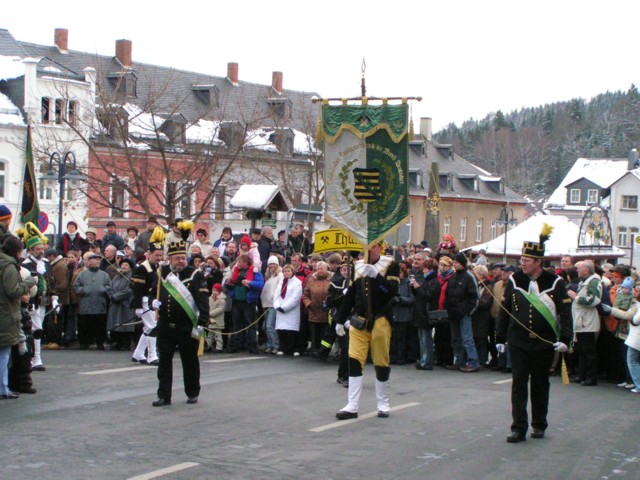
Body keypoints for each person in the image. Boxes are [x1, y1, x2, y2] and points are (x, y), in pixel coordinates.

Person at [496, 224, 572, 443]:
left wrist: (566, 339)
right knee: (518, 384)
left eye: (527, 260)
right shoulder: (515, 280)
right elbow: (505, 310)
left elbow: (565, 313)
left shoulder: (554, 282)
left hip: (543, 343)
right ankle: (518, 427)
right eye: (522, 259)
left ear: (538, 262)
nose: (522, 263)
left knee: (540, 384)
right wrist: (500, 337)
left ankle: (539, 424)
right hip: (518, 341)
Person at [334, 241, 400, 420]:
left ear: (380, 247)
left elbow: (392, 291)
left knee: (381, 362)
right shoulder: (357, 266)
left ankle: (383, 403)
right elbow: (351, 295)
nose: (369, 250)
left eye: (372, 246)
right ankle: (352, 405)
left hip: (380, 319)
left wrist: (377, 277)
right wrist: (340, 320)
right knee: (354, 360)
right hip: (359, 319)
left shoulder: (390, 265)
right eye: (366, 247)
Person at [152, 239, 210, 407]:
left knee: (190, 361)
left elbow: (203, 301)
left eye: (183, 258)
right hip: (165, 325)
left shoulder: (194, 275)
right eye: (177, 258)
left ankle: (192, 392)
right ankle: (164, 395)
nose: (181, 261)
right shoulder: (162, 274)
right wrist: (151, 303)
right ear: (169, 259)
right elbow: (152, 293)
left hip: (186, 326)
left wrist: (201, 322)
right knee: (164, 362)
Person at [0, 236, 37, 399]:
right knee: (4, 353)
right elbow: (13, 291)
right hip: (6, 313)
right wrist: (28, 282)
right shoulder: (9, 266)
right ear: (18, 251)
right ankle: (2, 388)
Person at [20, 223, 57, 371]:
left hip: (43, 301)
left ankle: (36, 358)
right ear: (30, 250)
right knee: (35, 330)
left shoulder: (46, 264)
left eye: (42, 249)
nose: (41, 251)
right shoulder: (26, 265)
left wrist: (54, 298)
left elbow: (50, 281)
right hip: (32, 302)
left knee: (38, 329)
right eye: (38, 249)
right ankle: (35, 359)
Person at [566, 260, 602, 386]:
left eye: (579, 268)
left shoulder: (594, 282)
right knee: (581, 351)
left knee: (589, 351)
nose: (577, 271)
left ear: (586, 270)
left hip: (587, 322)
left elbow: (594, 300)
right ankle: (582, 375)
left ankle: (591, 377)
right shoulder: (584, 282)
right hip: (581, 321)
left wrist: (576, 297)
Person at [131, 231, 164, 365]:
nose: (158, 258)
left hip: (152, 302)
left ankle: (138, 354)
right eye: (156, 255)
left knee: (148, 328)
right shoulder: (141, 269)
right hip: (144, 302)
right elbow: (137, 289)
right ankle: (151, 355)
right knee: (154, 327)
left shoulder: (157, 267)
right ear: (149, 254)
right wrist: (138, 306)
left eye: (160, 255)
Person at [444, 253, 480, 372]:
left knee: (467, 339)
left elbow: (474, 297)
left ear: (463, 263)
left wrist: (468, 311)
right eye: (454, 262)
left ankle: (473, 362)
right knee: (455, 339)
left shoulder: (469, 277)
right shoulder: (453, 277)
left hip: (464, 313)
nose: (455, 264)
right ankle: (459, 361)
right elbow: (448, 294)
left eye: (457, 262)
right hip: (453, 312)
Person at [225, 254, 264, 354]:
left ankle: (252, 347)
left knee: (250, 325)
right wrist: (229, 286)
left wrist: (249, 282)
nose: (238, 264)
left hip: (248, 302)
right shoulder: (236, 272)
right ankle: (234, 346)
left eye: (240, 262)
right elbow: (231, 286)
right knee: (236, 325)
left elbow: (260, 284)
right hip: (237, 301)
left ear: (246, 263)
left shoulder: (255, 272)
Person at [73, 253, 112, 350]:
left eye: (99, 260)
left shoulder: (104, 275)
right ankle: (84, 343)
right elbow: (76, 286)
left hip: (100, 304)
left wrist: (103, 289)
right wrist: (83, 290)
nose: (98, 262)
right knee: (85, 325)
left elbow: (109, 286)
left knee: (100, 325)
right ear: (90, 262)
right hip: (86, 304)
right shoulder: (82, 274)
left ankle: (100, 343)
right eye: (95, 260)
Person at [302, 260, 332, 355]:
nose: (320, 271)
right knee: (315, 332)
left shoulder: (331, 279)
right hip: (314, 310)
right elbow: (305, 294)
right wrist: (309, 304)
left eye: (322, 269)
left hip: (327, 311)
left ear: (326, 269)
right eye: (318, 269)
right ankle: (315, 350)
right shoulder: (312, 279)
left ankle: (324, 351)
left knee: (325, 332)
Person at [273, 264, 303, 356]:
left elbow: (295, 298)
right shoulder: (281, 282)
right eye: (285, 271)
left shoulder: (297, 282)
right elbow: (276, 295)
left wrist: (285, 307)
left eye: (288, 271)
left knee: (292, 331)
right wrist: (277, 306)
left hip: (290, 310)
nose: (286, 273)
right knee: (281, 330)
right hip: (280, 309)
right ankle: (283, 347)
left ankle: (294, 349)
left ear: (292, 272)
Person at [106, 258, 136, 351]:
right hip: (115, 304)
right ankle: (117, 342)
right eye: (122, 264)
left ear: (130, 267)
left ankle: (126, 343)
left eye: (126, 265)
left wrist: (117, 296)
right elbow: (110, 287)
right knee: (116, 323)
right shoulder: (116, 276)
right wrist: (111, 295)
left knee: (125, 324)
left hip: (125, 304)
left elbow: (129, 290)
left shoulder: (131, 277)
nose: (124, 266)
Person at [261, 256, 282, 354]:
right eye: (270, 264)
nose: (272, 266)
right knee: (265, 326)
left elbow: (279, 289)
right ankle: (269, 344)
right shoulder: (269, 277)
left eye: (273, 264)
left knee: (270, 326)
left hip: (273, 304)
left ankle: (276, 345)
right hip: (266, 304)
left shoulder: (280, 275)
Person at [206, 283, 226, 353]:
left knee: (218, 334)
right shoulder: (210, 298)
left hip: (218, 320)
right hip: (211, 319)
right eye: (213, 290)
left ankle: (219, 347)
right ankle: (208, 345)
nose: (214, 292)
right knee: (210, 334)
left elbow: (220, 309)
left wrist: (210, 313)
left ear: (219, 291)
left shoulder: (222, 300)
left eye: (216, 290)